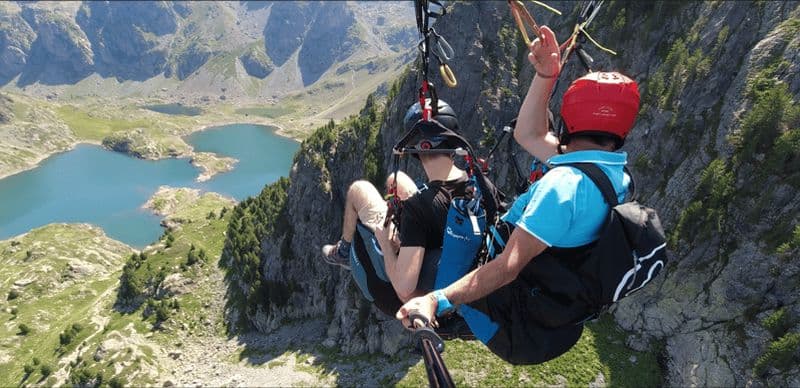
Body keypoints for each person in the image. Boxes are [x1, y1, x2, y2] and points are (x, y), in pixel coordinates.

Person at [396, 25, 641, 364]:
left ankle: (456, 317)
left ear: (569, 122)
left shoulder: (562, 188)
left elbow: (507, 268)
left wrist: (436, 300)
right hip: (553, 316)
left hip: (512, 329)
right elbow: (529, 134)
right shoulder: (610, 173)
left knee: (410, 267)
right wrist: (546, 74)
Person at [321, 99, 470, 311]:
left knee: (359, 190)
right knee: (395, 180)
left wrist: (386, 243)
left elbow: (404, 289)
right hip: (439, 251)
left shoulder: (417, 209)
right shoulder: (475, 185)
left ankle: (344, 251)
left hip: (395, 287)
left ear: (416, 150)